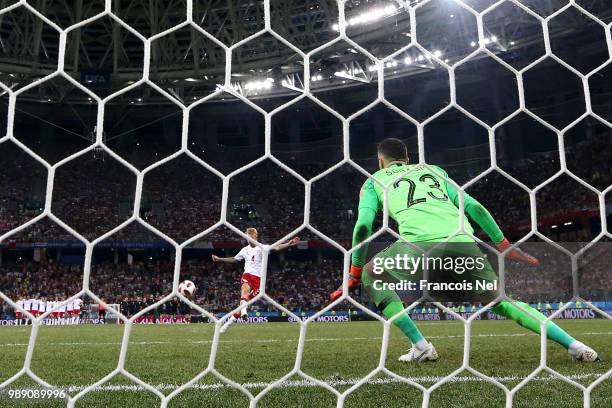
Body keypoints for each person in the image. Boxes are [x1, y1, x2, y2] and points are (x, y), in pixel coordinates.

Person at [330, 138, 599, 363]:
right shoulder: (434, 171)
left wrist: (353, 273)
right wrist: (502, 244)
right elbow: (475, 208)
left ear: (380, 161)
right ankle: (575, 345)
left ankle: (421, 346)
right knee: (502, 301)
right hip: (463, 241)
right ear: (407, 158)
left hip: (419, 245)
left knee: (371, 274)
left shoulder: (373, 181)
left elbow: (363, 227)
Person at [212, 228, 299, 333]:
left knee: (244, 302)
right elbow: (234, 259)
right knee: (244, 291)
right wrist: (220, 259)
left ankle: (228, 324)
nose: (249, 239)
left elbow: (277, 247)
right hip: (247, 275)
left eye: (251, 237)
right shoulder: (244, 250)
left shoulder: (262, 247)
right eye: (247, 237)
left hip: (258, 280)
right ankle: (244, 312)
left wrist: (288, 244)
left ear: (255, 237)